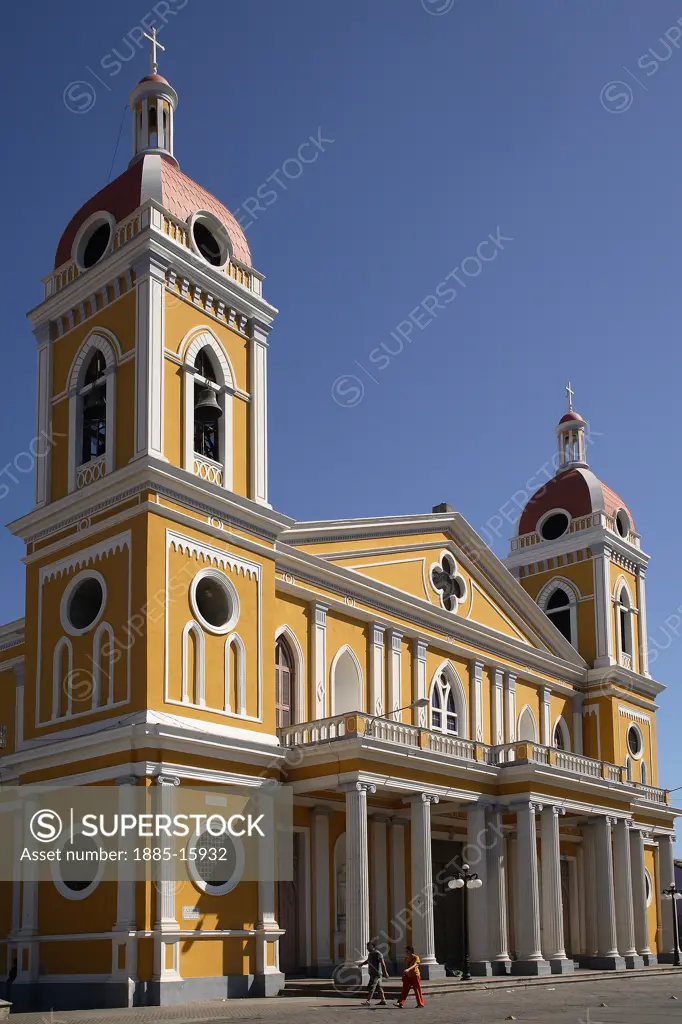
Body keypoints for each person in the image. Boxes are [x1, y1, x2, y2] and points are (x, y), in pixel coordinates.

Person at [361, 941, 388, 1006]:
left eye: (368, 946)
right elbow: (368, 961)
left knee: (372, 987)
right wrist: (362, 964)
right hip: (372, 973)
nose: (367, 948)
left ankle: (368, 1001)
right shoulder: (370, 954)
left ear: (373, 946)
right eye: (367, 947)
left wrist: (385, 972)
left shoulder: (378, 953)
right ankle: (383, 1000)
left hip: (377, 974)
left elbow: (383, 964)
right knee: (379, 987)